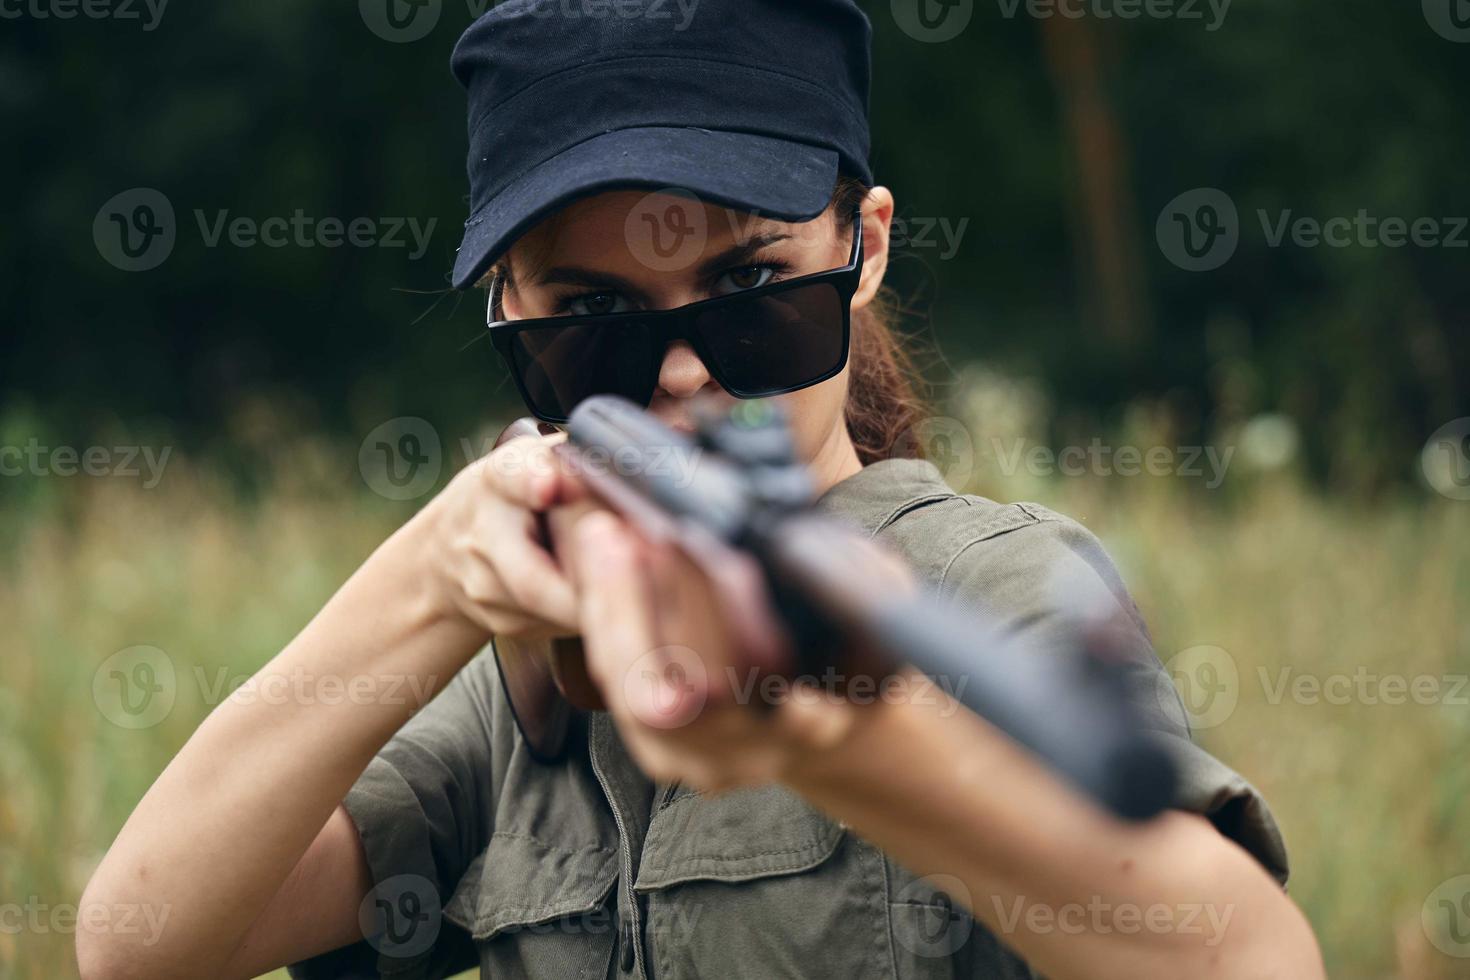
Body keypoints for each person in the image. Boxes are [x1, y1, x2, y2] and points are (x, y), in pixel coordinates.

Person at [78, 1, 1324, 977]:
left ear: (867, 246)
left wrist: (842, 735)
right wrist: (432, 575)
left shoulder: (993, 585)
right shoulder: (523, 676)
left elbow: (1257, 960)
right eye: (592, 320)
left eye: (750, 292)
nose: (680, 370)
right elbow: (140, 942)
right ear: (507, 314)